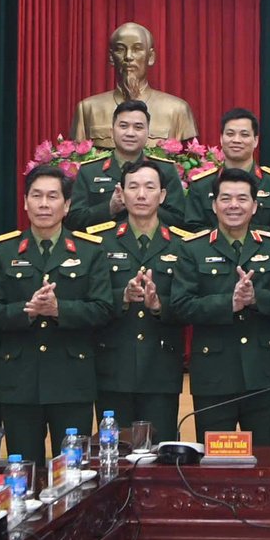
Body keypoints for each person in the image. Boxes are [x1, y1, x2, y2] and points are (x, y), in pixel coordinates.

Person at [0, 166, 113, 463]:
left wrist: (59, 310)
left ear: (67, 205)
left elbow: (104, 308)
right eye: (37, 196)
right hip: (19, 381)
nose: (44, 204)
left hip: (71, 380)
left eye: (52, 196)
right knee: (23, 472)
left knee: (72, 473)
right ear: (25, 202)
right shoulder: (3, 251)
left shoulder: (90, 250)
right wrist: (26, 312)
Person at [169, 168, 270, 443]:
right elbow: (181, 305)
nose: (233, 205)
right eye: (225, 198)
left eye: (242, 199)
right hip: (213, 375)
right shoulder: (193, 248)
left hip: (261, 375)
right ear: (213, 205)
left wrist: (256, 299)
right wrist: (230, 303)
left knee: (262, 463)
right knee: (214, 463)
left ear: (255, 206)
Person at [89, 160, 193, 444]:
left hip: (160, 367)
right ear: (121, 194)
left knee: (160, 458)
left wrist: (160, 305)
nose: (141, 194)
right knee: (115, 455)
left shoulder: (182, 245)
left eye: (150, 187)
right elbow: (88, 300)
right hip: (112, 366)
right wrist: (120, 297)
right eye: (133, 187)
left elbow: (189, 304)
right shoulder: (99, 242)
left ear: (162, 195)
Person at [69, 21, 200, 147]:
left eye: (137, 49)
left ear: (151, 57)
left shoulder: (177, 110)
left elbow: (189, 161)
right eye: (120, 50)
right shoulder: (87, 109)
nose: (129, 56)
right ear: (111, 57)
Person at [68, 99, 187, 231]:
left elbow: (180, 221)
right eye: (123, 126)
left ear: (148, 132)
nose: (130, 133)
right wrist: (109, 208)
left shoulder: (165, 170)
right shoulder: (90, 171)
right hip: (103, 248)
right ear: (112, 130)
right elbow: (73, 220)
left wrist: (147, 206)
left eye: (138, 127)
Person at [183, 107, 270, 234]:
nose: (236, 140)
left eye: (244, 135)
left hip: (262, 252)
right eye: (230, 134)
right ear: (221, 139)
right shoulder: (201, 185)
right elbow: (193, 229)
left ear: (256, 140)